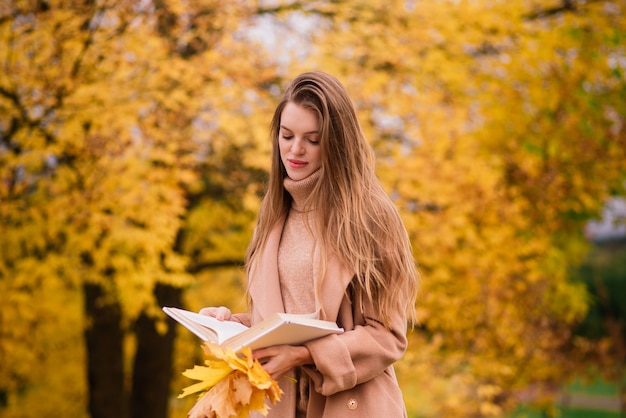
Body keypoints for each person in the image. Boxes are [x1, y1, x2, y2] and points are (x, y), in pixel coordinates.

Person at [200, 71, 418, 418]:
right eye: (286, 136)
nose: (295, 150)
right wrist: (233, 325)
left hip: (349, 407)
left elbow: (387, 337)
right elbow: (280, 319)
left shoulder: (371, 218)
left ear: (336, 143)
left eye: (312, 140)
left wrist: (305, 354)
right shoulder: (272, 215)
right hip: (274, 405)